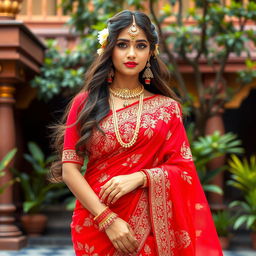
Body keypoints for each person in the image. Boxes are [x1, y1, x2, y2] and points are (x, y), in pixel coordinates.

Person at [50, 10, 223, 256]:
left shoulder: (167, 109)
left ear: (151, 52)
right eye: (122, 45)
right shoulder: (85, 103)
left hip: (150, 227)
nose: (132, 54)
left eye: (140, 45)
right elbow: (70, 170)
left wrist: (142, 177)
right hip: (95, 222)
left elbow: (183, 171)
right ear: (109, 49)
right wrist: (107, 220)